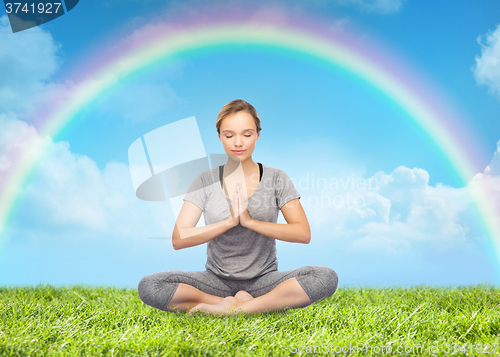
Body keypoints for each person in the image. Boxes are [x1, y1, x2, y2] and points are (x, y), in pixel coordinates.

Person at [138, 99, 338, 315]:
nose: (238, 142)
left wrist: (250, 222)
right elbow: (179, 239)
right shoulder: (204, 180)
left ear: (258, 135)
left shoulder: (276, 178)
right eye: (229, 135)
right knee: (150, 285)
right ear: (220, 137)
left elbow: (302, 233)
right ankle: (241, 304)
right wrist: (229, 222)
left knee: (325, 277)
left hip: (264, 280)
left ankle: (233, 310)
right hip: (215, 281)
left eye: (247, 134)